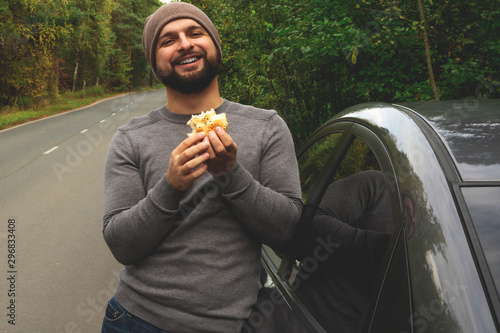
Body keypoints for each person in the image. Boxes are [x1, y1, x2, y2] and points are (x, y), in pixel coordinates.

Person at [100, 2, 302, 333]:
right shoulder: (129, 139)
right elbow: (122, 245)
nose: (184, 44)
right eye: (167, 40)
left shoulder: (267, 127)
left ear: (214, 47)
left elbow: (290, 235)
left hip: (233, 323)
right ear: (155, 63)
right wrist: (170, 186)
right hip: (137, 320)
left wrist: (231, 175)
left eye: (195, 33)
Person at [293, 170, 393, 332]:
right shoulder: (380, 185)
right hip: (295, 319)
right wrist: (384, 247)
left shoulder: (438, 259)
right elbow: (309, 221)